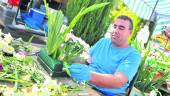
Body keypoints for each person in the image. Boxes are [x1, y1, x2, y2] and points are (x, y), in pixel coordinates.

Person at [69, 15, 141, 96]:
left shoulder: (133, 55)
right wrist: (69, 57)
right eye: (114, 26)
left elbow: (118, 81)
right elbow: (86, 60)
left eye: (121, 28)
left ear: (130, 33)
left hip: (106, 93)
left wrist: (89, 75)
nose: (115, 30)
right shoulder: (103, 42)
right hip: (85, 86)